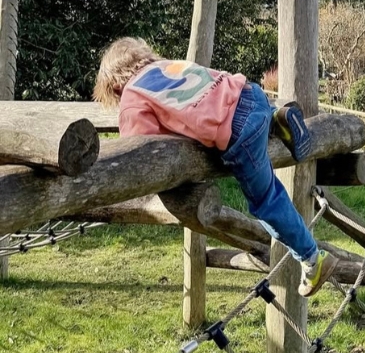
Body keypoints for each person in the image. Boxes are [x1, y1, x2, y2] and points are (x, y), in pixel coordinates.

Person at [93, 36, 338, 297]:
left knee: (267, 202)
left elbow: (140, 148)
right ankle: (276, 119)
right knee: (257, 118)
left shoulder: (132, 93)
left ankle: (313, 258)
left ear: (116, 86)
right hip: (251, 94)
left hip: (238, 132)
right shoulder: (169, 67)